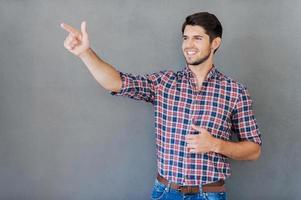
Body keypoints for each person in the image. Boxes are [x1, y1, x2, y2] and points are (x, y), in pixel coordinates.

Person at [61, 12, 262, 200]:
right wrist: (85, 53)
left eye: (197, 38)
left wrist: (215, 144)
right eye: (185, 38)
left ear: (215, 43)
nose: (188, 45)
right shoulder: (164, 82)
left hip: (209, 194)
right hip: (166, 192)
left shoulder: (235, 91)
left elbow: (253, 150)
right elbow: (116, 83)